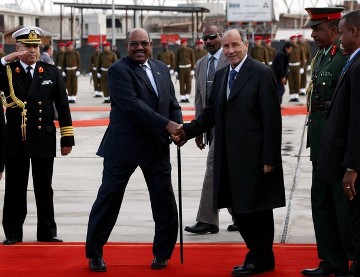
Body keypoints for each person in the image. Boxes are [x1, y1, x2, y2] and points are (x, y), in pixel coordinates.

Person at [174, 28, 285, 276]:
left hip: (256, 158)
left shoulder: (262, 73)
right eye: (226, 47)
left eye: (235, 45)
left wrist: (270, 158)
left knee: (257, 210)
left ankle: (260, 257)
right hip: (229, 156)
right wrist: (187, 131)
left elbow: (272, 120)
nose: (230, 51)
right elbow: (210, 113)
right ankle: (259, 255)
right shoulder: (223, 75)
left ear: (246, 44)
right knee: (239, 209)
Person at [85, 27, 182, 272]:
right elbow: (132, 106)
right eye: (134, 44)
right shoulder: (118, 70)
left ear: (152, 45)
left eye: (144, 43)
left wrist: (180, 128)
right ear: (126, 46)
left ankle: (162, 252)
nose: (139, 48)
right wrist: (167, 125)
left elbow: (171, 103)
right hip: (123, 146)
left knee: (164, 202)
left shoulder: (161, 69)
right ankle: (95, 253)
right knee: (108, 199)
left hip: (156, 146)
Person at [0, 26, 74, 245]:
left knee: (44, 188)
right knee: (15, 188)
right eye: (27, 47)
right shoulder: (8, 70)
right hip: (16, 138)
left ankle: (47, 233)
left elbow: (62, 105)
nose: (32, 51)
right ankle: (13, 233)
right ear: (18, 48)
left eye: (36, 46)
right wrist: (6, 59)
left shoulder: (50, 71)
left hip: (43, 136)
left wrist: (67, 138)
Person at [301, 7, 354, 277]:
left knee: (343, 207)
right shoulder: (322, 55)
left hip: (339, 146)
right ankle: (330, 260)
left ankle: (350, 261)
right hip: (320, 143)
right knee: (320, 203)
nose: (313, 34)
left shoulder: (346, 57)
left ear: (335, 30)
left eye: (318, 29)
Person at [317, 9, 360, 277]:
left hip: (348, 156)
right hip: (331, 149)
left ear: (354, 31)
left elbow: (357, 118)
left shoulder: (355, 64)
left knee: (351, 217)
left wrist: (353, 165)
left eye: (342, 32)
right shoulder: (348, 61)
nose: (339, 38)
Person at [184, 24, 237, 235]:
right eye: (204, 38)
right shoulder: (201, 64)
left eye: (212, 37)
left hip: (230, 127)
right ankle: (241, 216)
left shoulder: (231, 57)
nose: (208, 41)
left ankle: (207, 220)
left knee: (213, 170)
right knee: (227, 172)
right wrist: (198, 129)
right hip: (211, 126)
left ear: (221, 36)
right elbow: (200, 99)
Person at [174, 38, 195, 103]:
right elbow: (176, 60)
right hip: (181, 68)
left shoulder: (190, 50)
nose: (183, 44)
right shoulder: (178, 51)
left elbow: (192, 60)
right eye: (182, 43)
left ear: (186, 43)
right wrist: (176, 70)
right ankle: (183, 98)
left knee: (189, 83)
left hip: (188, 68)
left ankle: (187, 97)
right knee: (182, 83)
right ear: (181, 44)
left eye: (184, 43)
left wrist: (192, 69)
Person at [288, 34, 305, 102]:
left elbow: (302, 58)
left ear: (296, 40)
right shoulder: (288, 47)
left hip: (297, 66)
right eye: (292, 39)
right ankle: (292, 96)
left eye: (294, 39)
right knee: (291, 81)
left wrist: (302, 67)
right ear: (291, 40)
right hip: (290, 66)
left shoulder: (300, 47)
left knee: (298, 81)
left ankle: (296, 96)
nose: (293, 41)